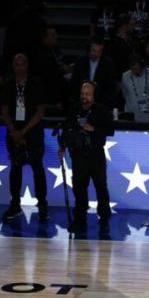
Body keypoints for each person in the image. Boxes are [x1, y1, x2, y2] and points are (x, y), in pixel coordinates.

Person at [0, 54, 49, 222]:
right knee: (15, 168)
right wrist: (14, 131)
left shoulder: (36, 84)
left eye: (22, 64)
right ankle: (15, 205)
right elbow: (4, 111)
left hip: (33, 133)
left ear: (27, 65)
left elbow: (40, 111)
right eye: (16, 64)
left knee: (38, 168)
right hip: (14, 133)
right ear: (13, 66)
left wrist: (24, 131)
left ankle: (42, 206)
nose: (19, 67)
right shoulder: (7, 84)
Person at [61, 81, 114, 234]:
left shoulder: (101, 111)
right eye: (83, 94)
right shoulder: (74, 110)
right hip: (78, 156)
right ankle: (80, 220)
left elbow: (110, 130)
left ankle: (104, 219)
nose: (84, 97)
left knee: (100, 188)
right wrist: (62, 146)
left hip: (96, 155)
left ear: (93, 96)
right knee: (79, 189)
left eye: (88, 94)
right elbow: (66, 129)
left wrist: (94, 129)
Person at [70, 38, 117, 110]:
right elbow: (74, 83)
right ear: (89, 50)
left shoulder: (108, 64)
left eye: (99, 51)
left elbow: (111, 86)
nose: (96, 54)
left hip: (101, 103)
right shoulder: (80, 62)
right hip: (81, 102)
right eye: (93, 50)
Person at [120, 53, 149, 121]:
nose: (134, 70)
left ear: (142, 65)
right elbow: (125, 94)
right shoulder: (125, 76)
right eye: (132, 68)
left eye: (136, 67)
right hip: (130, 117)